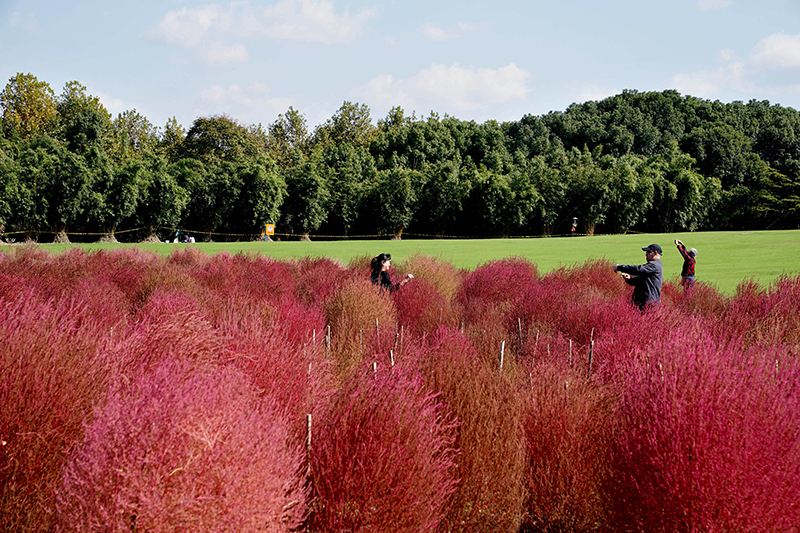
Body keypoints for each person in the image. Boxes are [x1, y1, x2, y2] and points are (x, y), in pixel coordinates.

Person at [613, 243, 664, 311]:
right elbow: (642, 280)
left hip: (648, 304)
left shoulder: (654, 265)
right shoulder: (653, 265)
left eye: (648, 252)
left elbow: (638, 269)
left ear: (655, 253)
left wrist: (620, 267)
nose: (646, 254)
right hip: (644, 302)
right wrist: (629, 279)